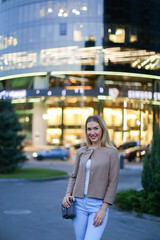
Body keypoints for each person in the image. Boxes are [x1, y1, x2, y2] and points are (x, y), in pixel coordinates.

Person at [62, 115, 120, 240]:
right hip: (78, 205)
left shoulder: (111, 152)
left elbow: (113, 182)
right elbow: (74, 176)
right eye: (89, 129)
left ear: (102, 130)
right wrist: (68, 193)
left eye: (96, 128)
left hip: (97, 206)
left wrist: (103, 209)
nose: (92, 132)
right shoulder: (81, 151)